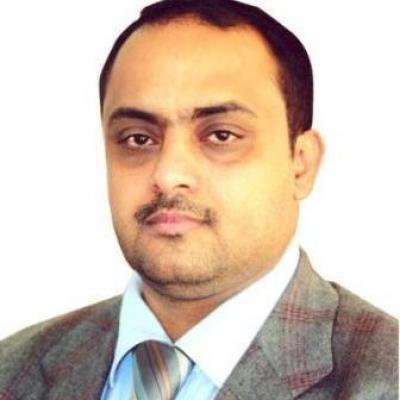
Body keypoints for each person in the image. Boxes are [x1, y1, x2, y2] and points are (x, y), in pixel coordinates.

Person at [0, 0, 398, 399]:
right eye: (138, 139)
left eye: (221, 135)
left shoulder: (385, 378)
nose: (168, 173)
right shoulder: (12, 368)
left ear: (301, 164)